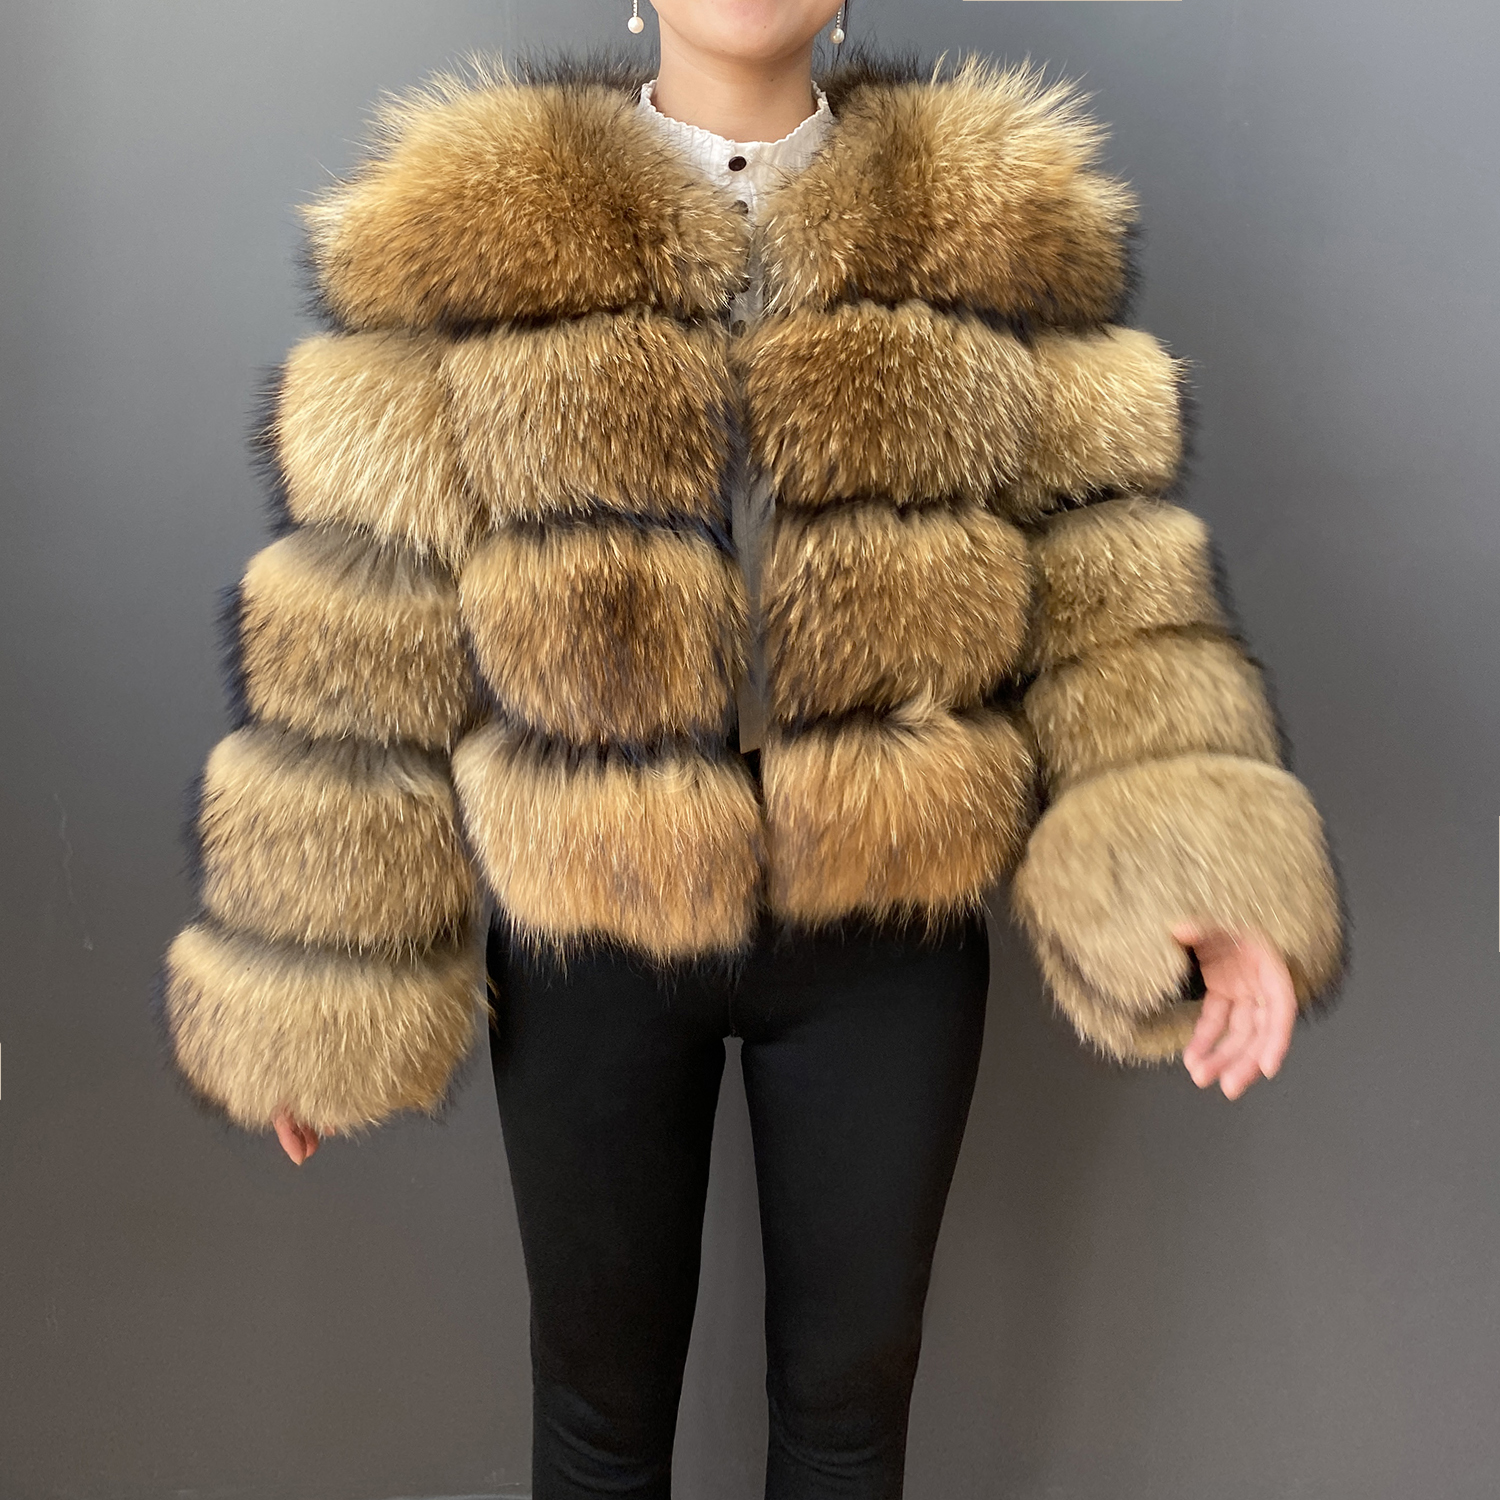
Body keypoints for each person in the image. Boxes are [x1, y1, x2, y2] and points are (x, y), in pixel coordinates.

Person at [156, 2, 1345, 1494]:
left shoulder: (991, 224)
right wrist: (311, 967)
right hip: (589, 934)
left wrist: (1197, 871)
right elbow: (361, 615)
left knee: (850, 1421)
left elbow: (1112, 584)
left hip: (885, 936)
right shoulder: (470, 228)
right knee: (595, 1421)